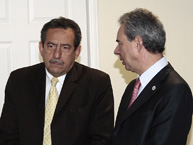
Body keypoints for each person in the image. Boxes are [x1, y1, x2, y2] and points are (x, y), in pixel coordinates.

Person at [0, 17, 114, 145]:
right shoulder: (19, 80)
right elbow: (7, 135)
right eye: (51, 46)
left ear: (77, 52)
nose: (57, 55)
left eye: (65, 47)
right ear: (41, 48)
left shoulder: (96, 82)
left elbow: (101, 139)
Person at [112, 8, 193, 145]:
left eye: (120, 43)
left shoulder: (175, 90)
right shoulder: (133, 87)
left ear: (138, 43)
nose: (116, 51)